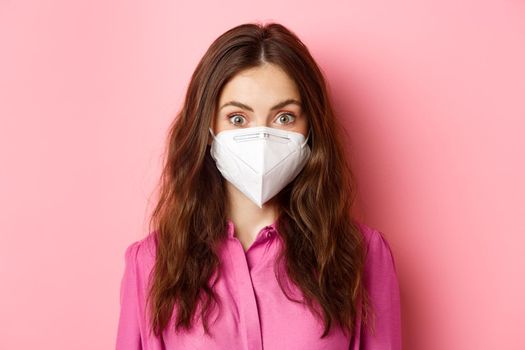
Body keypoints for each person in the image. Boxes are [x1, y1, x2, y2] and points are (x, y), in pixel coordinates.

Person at [116, 22, 401, 350]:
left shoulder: (362, 255)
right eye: (238, 118)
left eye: (284, 118)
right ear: (207, 127)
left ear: (311, 129)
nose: (262, 137)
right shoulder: (151, 262)